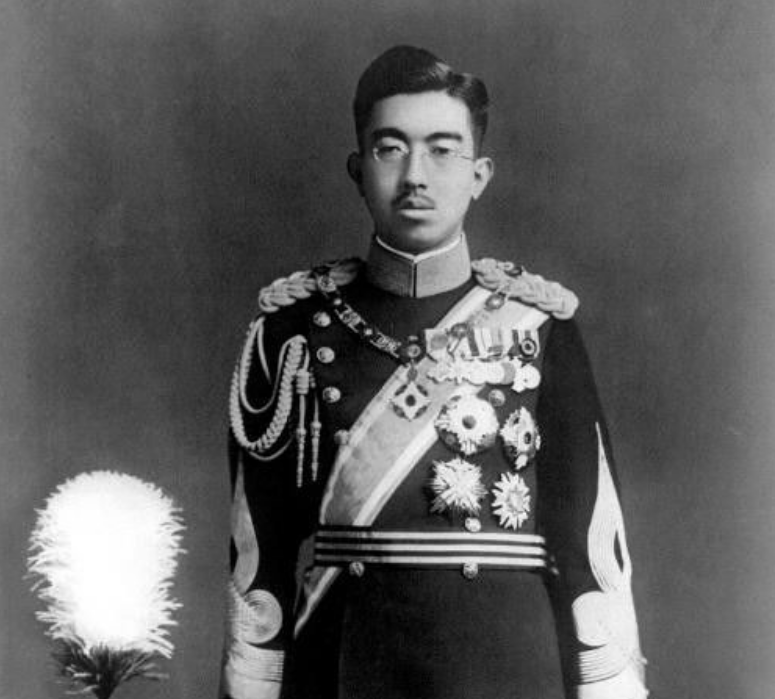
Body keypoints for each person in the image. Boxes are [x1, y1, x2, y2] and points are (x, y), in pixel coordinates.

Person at [220, 46, 647, 699]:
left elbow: (592, 546)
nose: (415, 175)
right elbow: (258, 561)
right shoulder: (292, 332)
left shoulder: (540, 326)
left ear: (479, 174)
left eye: (442, 150)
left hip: (506, 671)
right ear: (358, 170)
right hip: (341, 670)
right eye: (391, 149)